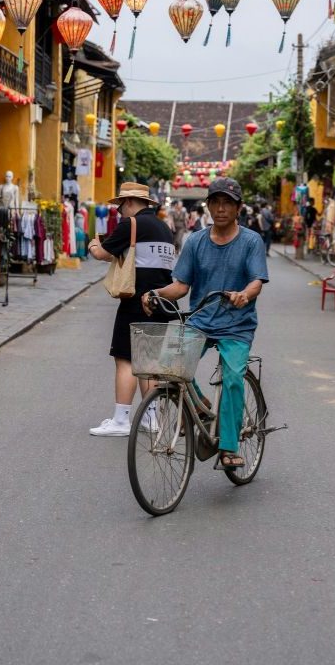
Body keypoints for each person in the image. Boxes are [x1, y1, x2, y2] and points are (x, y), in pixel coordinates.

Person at [143, 177, 268, 471]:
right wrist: (155, 293)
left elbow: (257, 282)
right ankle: (200, 406)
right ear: (208, 205)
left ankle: (229, 447)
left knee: (233, 376)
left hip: (237, 324)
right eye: (216, 202)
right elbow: (181, 286)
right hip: (201, 319)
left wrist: (244, 294)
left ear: (238, 208)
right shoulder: (195, 241)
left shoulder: (251, 241)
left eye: (228, 203)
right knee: (168, 363)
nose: (221, 208)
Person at [87, 182, 176, 437]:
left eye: (120, 207)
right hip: (161, 301)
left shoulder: (131, 224)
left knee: (125, 358)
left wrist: (94, 245)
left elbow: (104, 253)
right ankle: (151, 418)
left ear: (128, 202)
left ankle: (121, 420)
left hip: (136, 301)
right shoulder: (164, 228)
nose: (119, 212)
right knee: (149, 361)